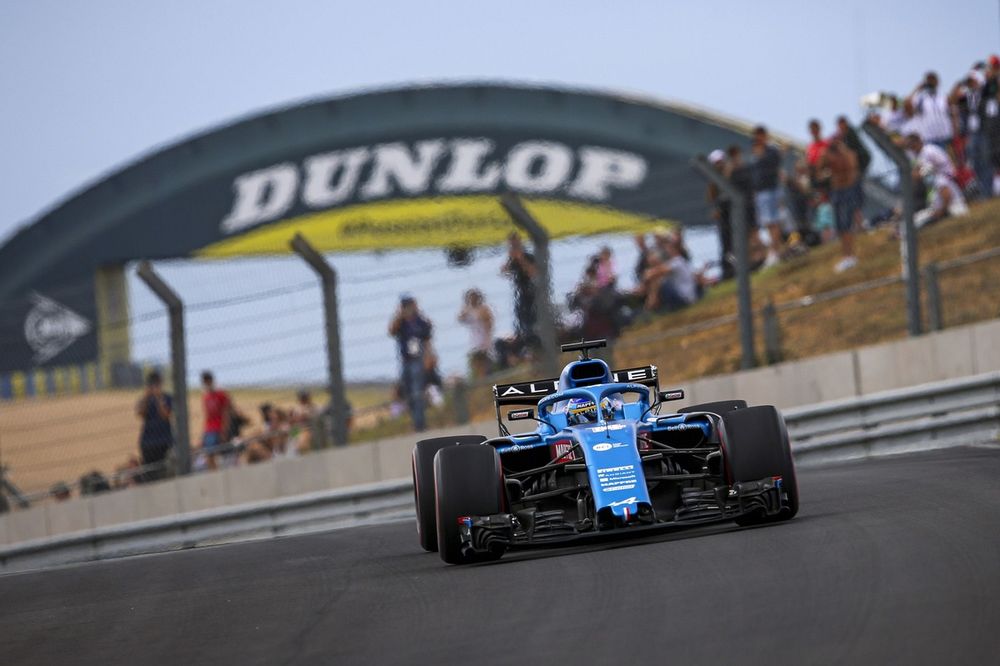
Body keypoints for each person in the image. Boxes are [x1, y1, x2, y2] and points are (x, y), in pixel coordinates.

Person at [388, 294, 433, 431]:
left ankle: (420, 423)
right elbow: (391, 330)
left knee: (417, 390)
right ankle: (415, 420)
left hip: (417, 360)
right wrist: (399, 315)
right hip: (405, 360)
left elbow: (427, 341)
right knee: (408, 392)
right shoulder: (401, 323)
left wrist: (428, 357)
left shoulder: (421, 322)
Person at [905, 133, 969, 227]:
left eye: (913, 145)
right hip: (940, 184)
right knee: (917, 219)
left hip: (946, 179)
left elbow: (946, 194)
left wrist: (940, 212)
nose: (912, 149)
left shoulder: (930, 151)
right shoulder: (919, 156)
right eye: (910, 147)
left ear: (919, 142)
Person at [820, 138, 861, 272]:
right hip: (837, 191)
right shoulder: (828, 156)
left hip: (848, 190)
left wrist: (841, 152)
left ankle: (851, 256)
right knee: (840, 226)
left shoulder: (849, 154)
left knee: (847, 224)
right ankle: (846, 256)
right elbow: (819, 169)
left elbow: (851, 167)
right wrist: (826, 155)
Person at [750, 125, 786, 266]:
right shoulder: (755, 153)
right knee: (768, 223)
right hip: (760, 192)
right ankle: (774, 251)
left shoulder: (771, 151)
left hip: (771, 190)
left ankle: (774, 252)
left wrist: (762, 155)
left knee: (773, 221)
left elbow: (774, 166)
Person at [501, 233, 537, 348]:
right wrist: (510, 259)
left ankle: (534, 341)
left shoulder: (528, 256)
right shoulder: (512, 259)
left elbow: (533, 273)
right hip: (519, 294)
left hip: (532, 292)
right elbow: (504, 272)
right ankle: (524, 341)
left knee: (533, 319)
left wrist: (521, 259)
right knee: (521, 318)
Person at [135, 370, 173, 481]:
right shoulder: (144, 400)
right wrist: (147, 397)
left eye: (156, 384)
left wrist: (159, 398)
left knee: (163, 471)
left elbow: (165, 415)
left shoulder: (167, 398)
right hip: (148, 442)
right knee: (149, 473)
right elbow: (141, 413)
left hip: (163, 440)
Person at [706, 149, 734, 280]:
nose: (719, 165)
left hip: (734, 212)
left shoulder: (732, 173)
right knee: (726, 243)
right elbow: (711, 198)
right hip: (723, 215)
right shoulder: (713, 180)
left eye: (720, 162)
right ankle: (728, 270)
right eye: (716, 163)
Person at [907, 71, 954, 150]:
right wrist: (917, 89)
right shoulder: (921, 98)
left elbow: (952, 112)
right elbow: (908, 103)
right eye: (929, 80)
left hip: (945, 137)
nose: (931, 83)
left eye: (933, 80)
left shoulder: (943, 97)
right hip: (929, 138)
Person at [457, 289, 494, 378]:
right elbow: (460, 319)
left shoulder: (483, 308)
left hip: (483, 336)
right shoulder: (468, 310)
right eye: (470, 298)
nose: (472, 299)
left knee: (484, 358)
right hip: (474, 338)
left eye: (474, 297)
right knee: (476, 359)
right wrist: (466, 309)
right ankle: (479, 377)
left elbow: (489, 322)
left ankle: (486, 376)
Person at [199, 371, 232, 471]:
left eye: (208, 381)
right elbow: (207, 416)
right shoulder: (206, 397)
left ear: (212, 381)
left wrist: (224, 429)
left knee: (215, 454)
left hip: (218, 428)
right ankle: (213, 472)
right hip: (209, 429)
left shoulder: (221, 394)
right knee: (208, 454)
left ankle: (216, 472)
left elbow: (226, 413)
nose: (207, 384)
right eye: (205, 382)